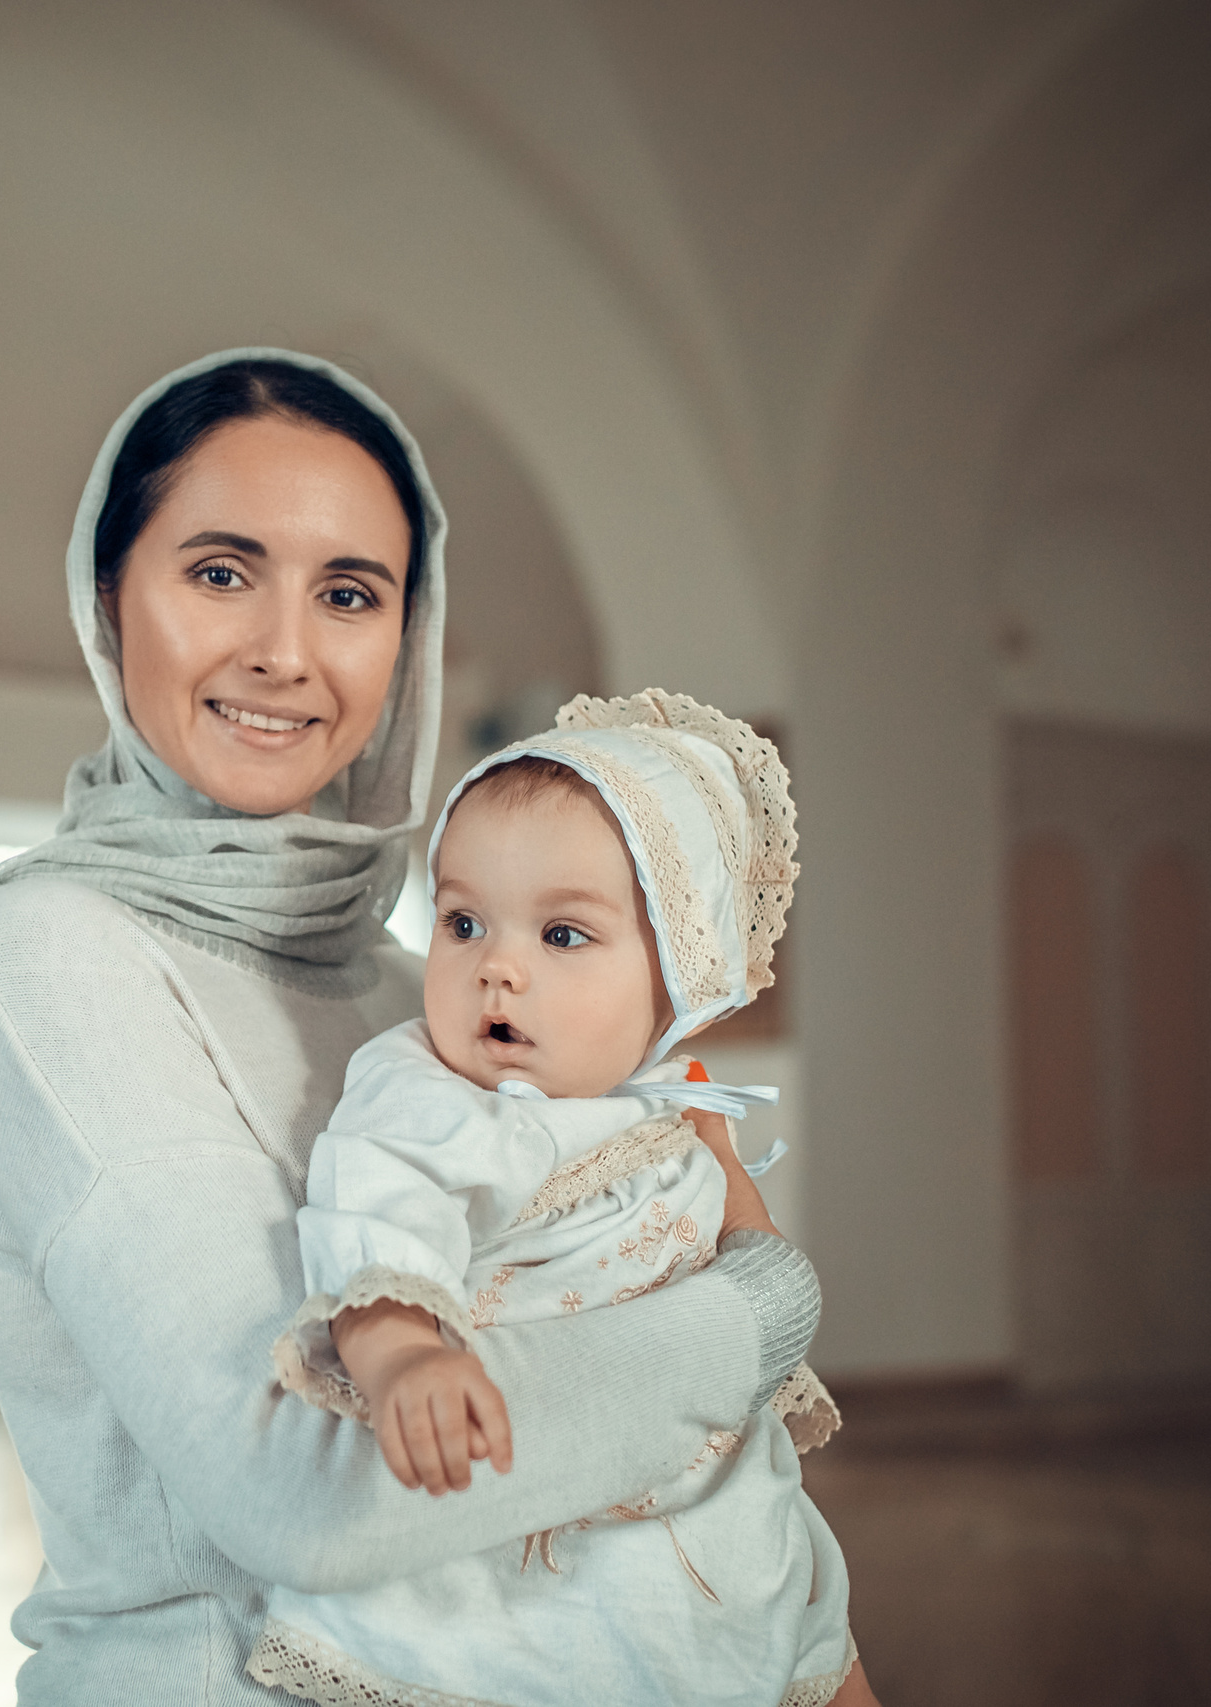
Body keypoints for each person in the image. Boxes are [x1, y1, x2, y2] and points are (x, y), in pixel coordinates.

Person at [0, 350, 867, 1705]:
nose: (285, 651)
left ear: (406, 638)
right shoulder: (46, 954)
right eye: (220, 571)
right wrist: (758, 1312)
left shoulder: (418, 988)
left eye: (350, 593)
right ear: (106, 596)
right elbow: (311, 1497)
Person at [253, 690, 859, 1707]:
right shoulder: (425, 1091)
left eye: (563, 935)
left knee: (806, 1635)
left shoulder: (675, 1101)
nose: (497, 967)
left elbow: (759, 1272)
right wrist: (403, 1358)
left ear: (676, 978)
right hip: (531, 1545)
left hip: (718, 1507)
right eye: (463, 922)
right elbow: (374, 1221)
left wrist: (747, 1229)